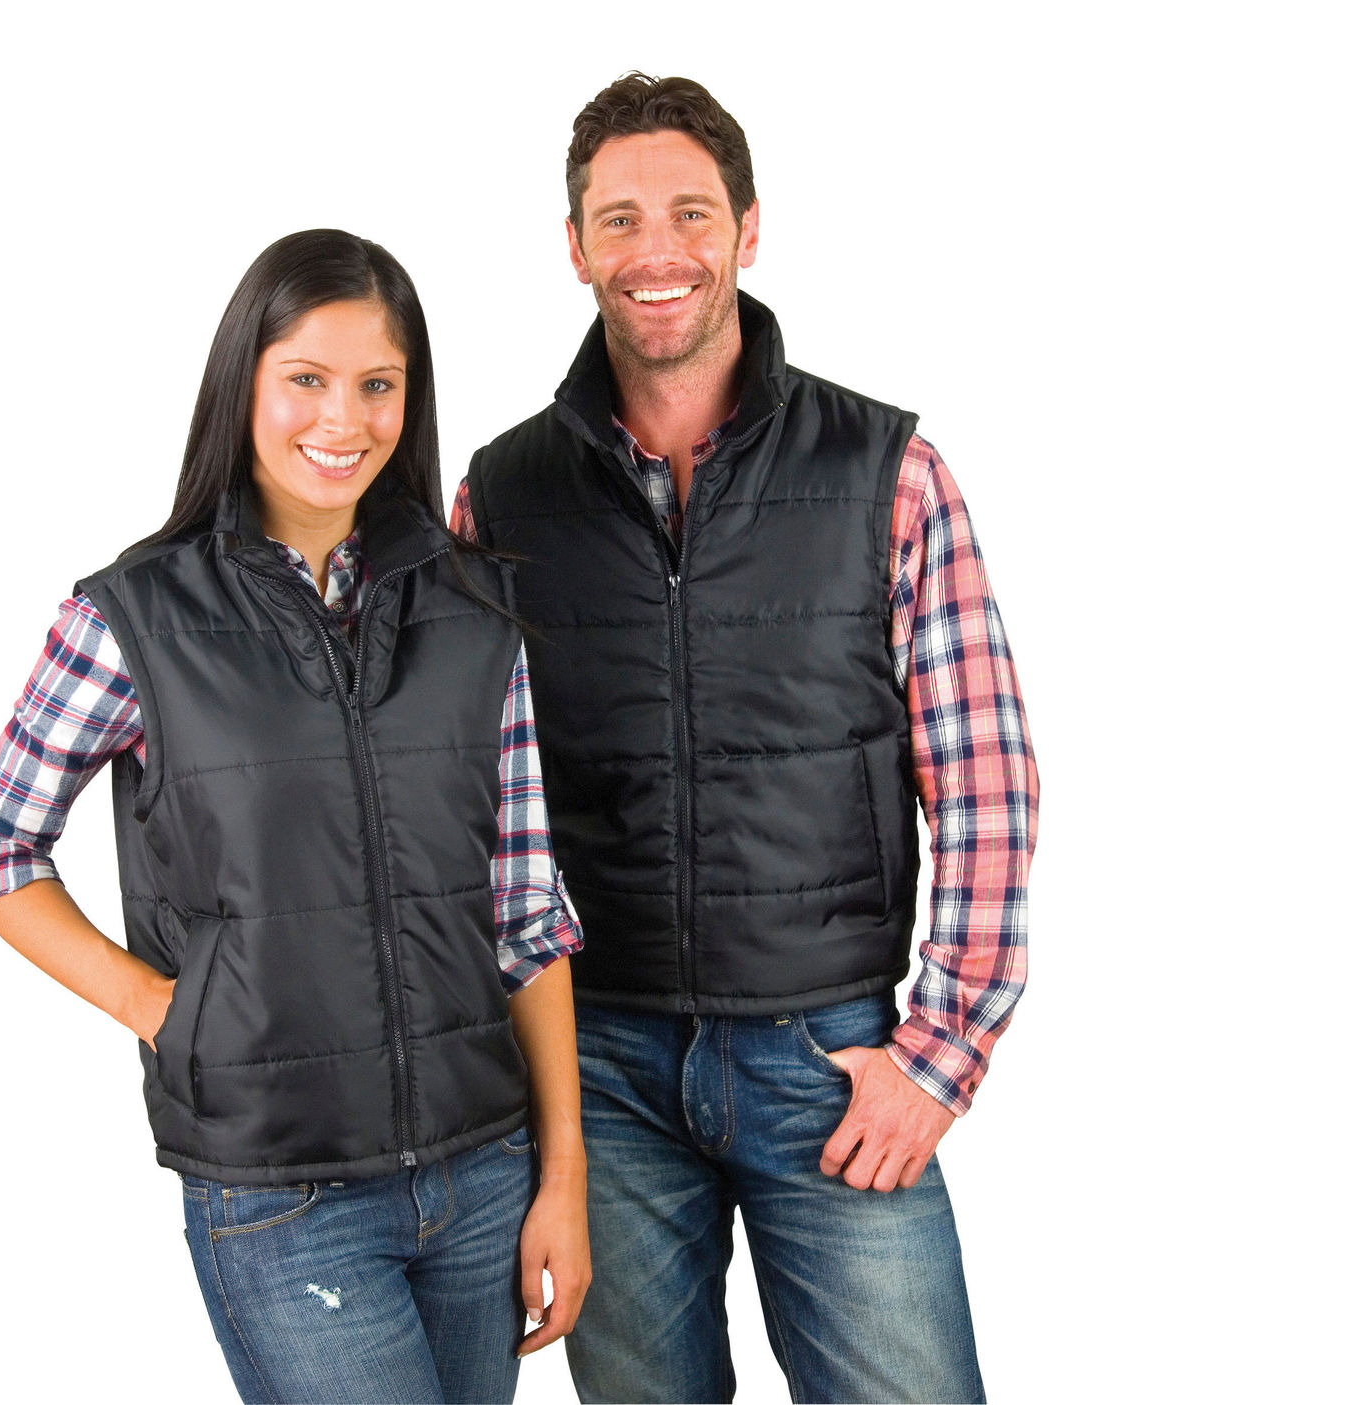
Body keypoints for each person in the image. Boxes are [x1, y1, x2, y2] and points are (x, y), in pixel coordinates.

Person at [454, 76, 1039, 1404]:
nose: (655, 249)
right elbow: (465, 795)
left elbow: (987, 781)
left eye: (690, 212)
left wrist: (940, 1054)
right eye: (619, 219)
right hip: (596, 1071)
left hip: (828, 1064)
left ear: (748, 230)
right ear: (574, 247)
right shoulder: (500, 495)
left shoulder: (886, 471)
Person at [0, 229, 590, 1405]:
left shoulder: (473, 608)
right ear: (243, 381)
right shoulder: (134, 619)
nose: (344, 419)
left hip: (484, 1170)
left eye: (378, 384)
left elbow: (527, 910)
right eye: (306, 378)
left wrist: (564, 1176)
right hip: (284, 1196)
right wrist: (158, 1010)